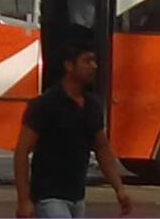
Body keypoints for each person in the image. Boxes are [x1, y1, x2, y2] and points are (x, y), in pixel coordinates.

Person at [14, 42, 131, 219]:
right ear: (69, 66)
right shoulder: (45, 104)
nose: (94, 66)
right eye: (87, 61)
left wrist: (119, 189)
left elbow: (102, 148)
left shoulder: (92, 106)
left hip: (77, 197)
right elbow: (21, 153)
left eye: (94, 61)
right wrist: (24, 200)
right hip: (48, 197)